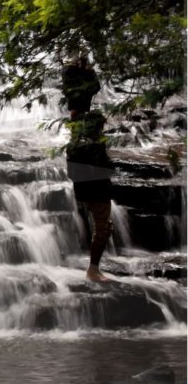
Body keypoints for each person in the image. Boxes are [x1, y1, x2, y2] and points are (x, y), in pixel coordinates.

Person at [61, 56, 114, 282]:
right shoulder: (88, 139)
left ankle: (92, 266)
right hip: (94, 186)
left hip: (85, 185)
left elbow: (92, 88)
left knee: (101, 224)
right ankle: (93, 269)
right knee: (103, 226)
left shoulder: (76, 142)